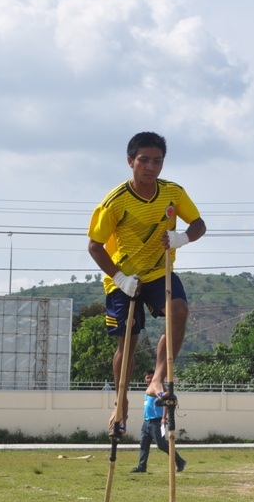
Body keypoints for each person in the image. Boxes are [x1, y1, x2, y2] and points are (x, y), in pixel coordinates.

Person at [87, 131, 206, 436]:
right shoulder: (114, 202)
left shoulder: (173, 193)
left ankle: (158, 377)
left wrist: (182, 237)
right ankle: (121, 403)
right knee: (129, 341)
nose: (151, 166)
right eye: (144, 160)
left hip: (159, 273)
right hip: (123, 278)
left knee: (179, 311)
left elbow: (198, 224)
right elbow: (95, 247)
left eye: (157, 161)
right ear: (131, 162)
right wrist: (120, 278)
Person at [130, 370, 186, 473]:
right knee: (143, 445)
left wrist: (164, 418)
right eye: (148, 377)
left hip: (157, 422)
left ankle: (179, 460)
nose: (150, 379)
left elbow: (166, 403)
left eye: (152, 377)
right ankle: (142, 467)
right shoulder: (148, 390)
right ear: (145, 379)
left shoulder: (161, 388)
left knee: (161, 445)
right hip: (146, 422)